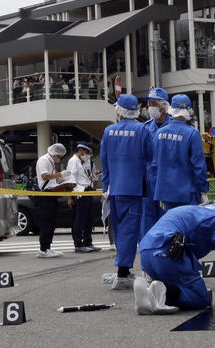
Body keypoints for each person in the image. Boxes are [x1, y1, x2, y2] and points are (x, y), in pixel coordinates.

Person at [101, 93, 154, 290]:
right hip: (135, 188)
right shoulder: (142, 130)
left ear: (120, 110)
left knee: (120, 229)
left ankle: (122, 271)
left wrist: (106, 187)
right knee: (132, 230)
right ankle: (123, 272)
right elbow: (150, 156)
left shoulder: (108, 131)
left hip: (115, 189)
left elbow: (104, 162)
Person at [152, 94, 208, 213]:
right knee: (188, 228)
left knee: (171, 228)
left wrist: (159, 192)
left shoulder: (159, 133)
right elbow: (199, 166)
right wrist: (203, 190)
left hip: (166, 193)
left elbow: (155, 165)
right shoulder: (192, 134)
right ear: (188, 111)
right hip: (188, 193)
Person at [141, 87, 170, 236]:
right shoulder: (145, 128)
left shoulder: (174, 127)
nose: (149, 107)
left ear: (163, 106)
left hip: (168, 183)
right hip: (149, 185)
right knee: (148, 225)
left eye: (153, 104)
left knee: (168, 223)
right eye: (149, 104)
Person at [65, 142, 100, 253]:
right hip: (79, 193)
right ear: (81, 150)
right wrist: (70, 197)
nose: (89, 155)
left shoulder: (85, 161)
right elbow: (70, 179)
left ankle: (88, 242)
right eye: (87, 152)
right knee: (79, 219)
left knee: (88, 219)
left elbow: (91, 177)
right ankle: (78, 244)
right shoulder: (73, 161)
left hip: (87, 191)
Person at [35, 143, 68, 258]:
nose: (59, 158)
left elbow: (51, 179)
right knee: (47, 222)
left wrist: (60, 179)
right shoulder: (44, 160)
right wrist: (59, 174)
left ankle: (47, 247)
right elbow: (44, 176)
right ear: (54, 153)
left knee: (51, 222)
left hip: (52, 193)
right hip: (46, 194)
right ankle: (43, 249)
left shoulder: (51, 161)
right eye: (59, 156)